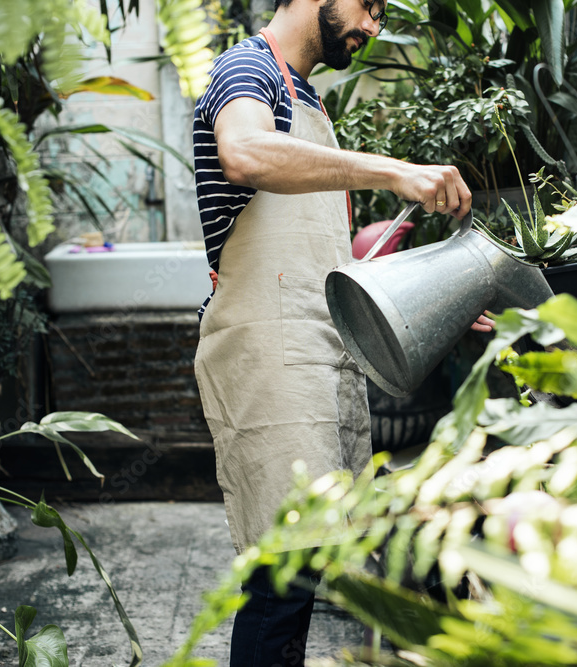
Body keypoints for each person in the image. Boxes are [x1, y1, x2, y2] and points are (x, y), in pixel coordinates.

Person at [191, 0, 491, 664]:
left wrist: (435, 300)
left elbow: (325, 262)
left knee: (304, 566)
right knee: (282, 576)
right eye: (369, 5)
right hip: (269, 348)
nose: (374, 25)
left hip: (316, 344)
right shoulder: (247, 68)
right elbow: (242, 152)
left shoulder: (309, 100)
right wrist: (393, 170)